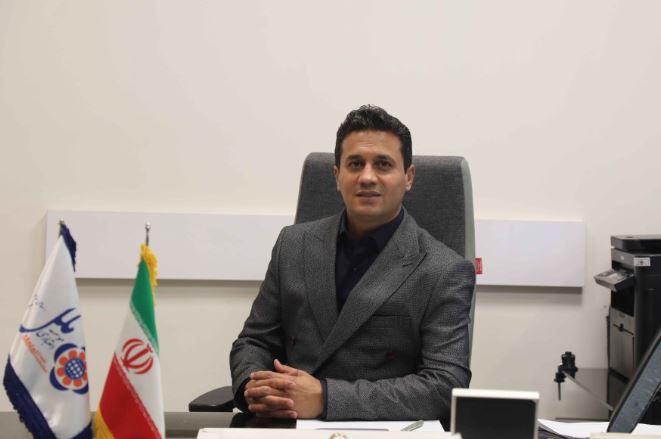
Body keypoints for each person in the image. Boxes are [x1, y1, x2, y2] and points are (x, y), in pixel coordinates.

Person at [229, 105, 475, 423]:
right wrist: (253, 385)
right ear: (337, 176)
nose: (367, 177)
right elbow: (254, 341)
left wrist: (326, 398)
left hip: (380, 430)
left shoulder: (444, 270)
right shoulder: (293, 245)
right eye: (355, 164)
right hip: (288, 423)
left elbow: (444, 387)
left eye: (383, 164)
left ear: (408, 177)